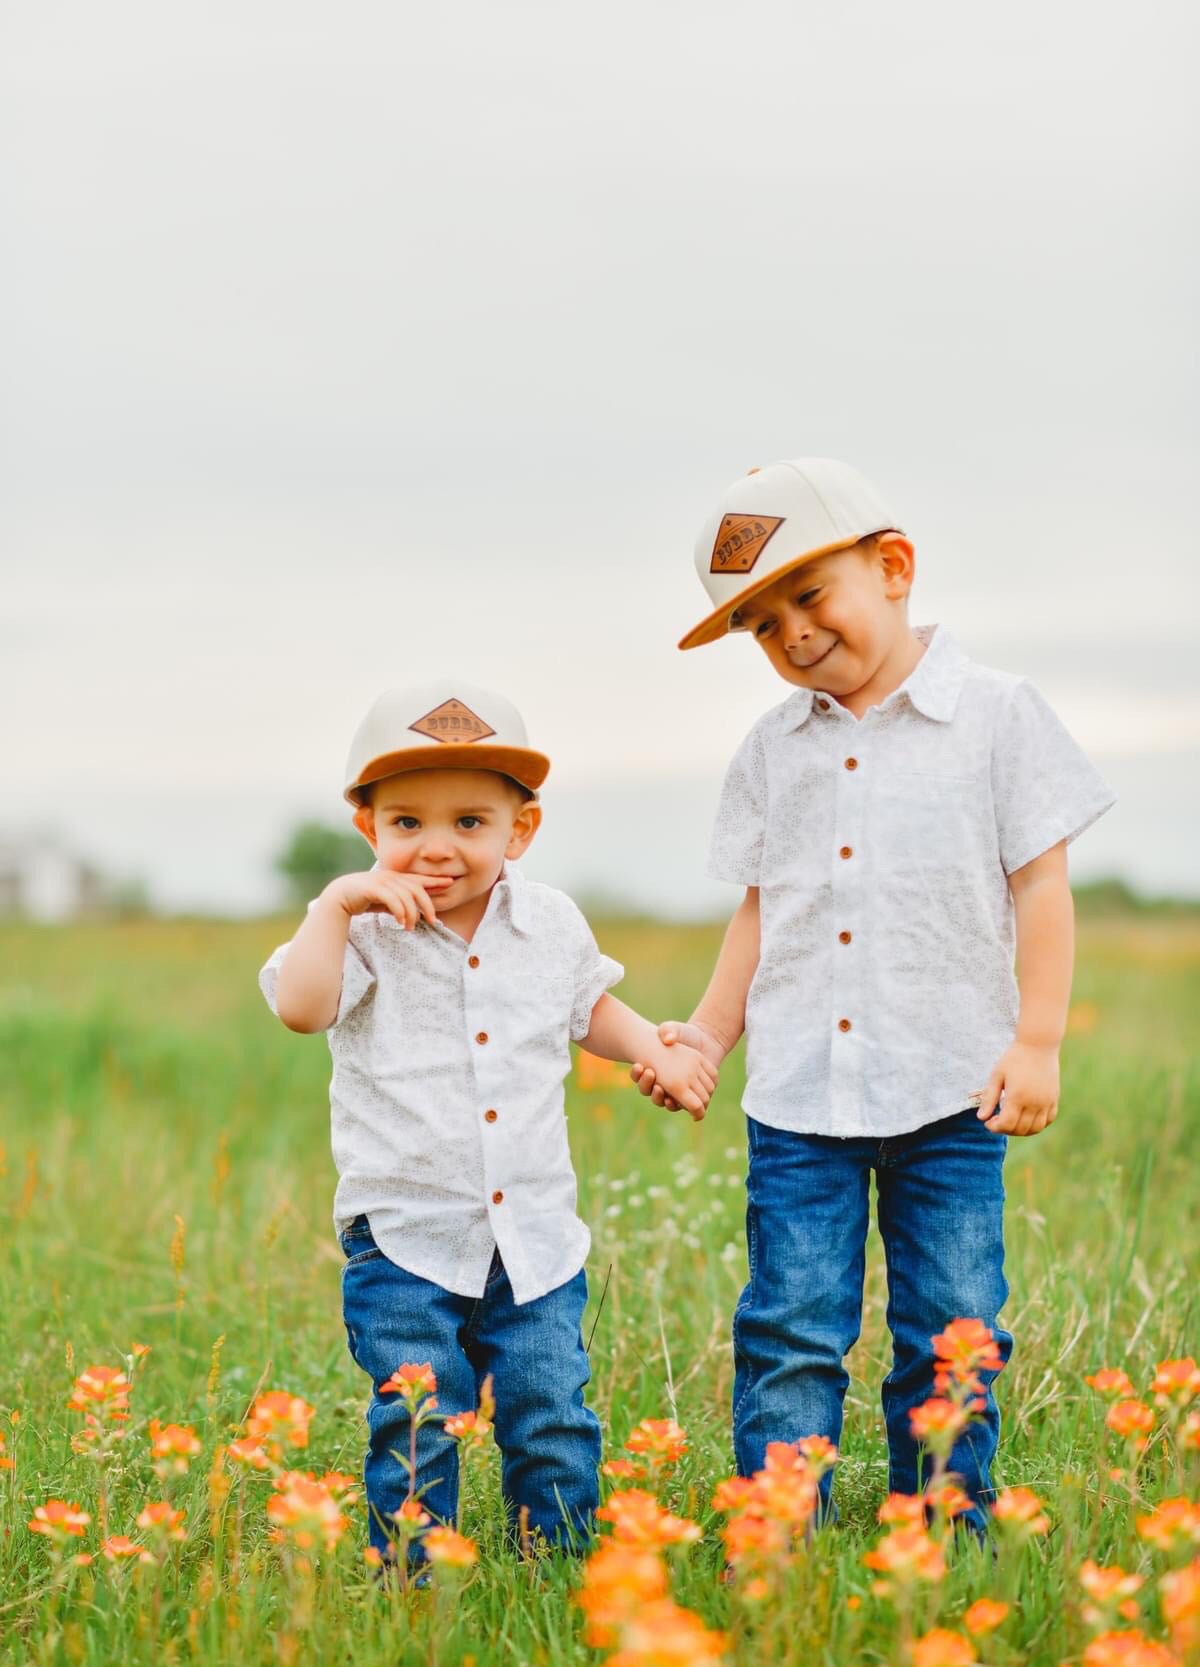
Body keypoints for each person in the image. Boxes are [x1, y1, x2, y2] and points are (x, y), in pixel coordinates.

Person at [632, 459, 1114, 1528]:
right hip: (801, 1096)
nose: (792, 633)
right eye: (761, 623)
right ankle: (779, 1524)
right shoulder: (773, 750)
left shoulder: (997, 716)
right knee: (793, 1321)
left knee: (953, 1319)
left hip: (952, 1088)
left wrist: (1037, 1043)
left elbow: (1042, 885)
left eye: (810, 595)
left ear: (893, 567)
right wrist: (709, 1034)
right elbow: (764, 908)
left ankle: (942, 1518)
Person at [260, 681, 717, 1559]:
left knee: (551, 1408)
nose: (437, 847)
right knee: (420, 1415)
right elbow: (301, 1009)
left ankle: (556, 1563)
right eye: (407, 824)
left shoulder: (549, 923)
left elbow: (590, 1008)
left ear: (521, 831)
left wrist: (651, 1050)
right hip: (403, 1235)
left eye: (469, 822)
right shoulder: (357, 934)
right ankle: (415, 1576)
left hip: (535, 1235)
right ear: (370, 831)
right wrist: (333, 906)